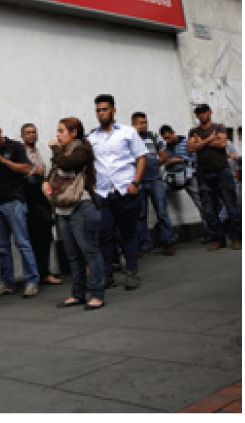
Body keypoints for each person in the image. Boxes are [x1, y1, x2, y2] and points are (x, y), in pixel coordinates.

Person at [43, 117, 106, 310]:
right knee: (72, 254)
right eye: (58, 131)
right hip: (63, 209)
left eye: (62, 131)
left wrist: (55, 149)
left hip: (82, 206)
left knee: (89, 250)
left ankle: (97, 294)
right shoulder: (62, 152)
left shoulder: (82, 150)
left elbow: (66, 165)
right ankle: (77, 294)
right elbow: (55, 172)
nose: (58, 135)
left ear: (74, 133)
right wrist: (46, 184)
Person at [87, 95, 147, 290]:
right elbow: (89, 165)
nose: (101, 113)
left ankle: (131, 272)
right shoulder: (92, 138)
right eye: (98, 110)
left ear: (113, 110)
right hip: (103, 194)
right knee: (104, 235)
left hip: (126, 190)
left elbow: (141, 158)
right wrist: (93, 185)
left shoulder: (128, 132)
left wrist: (135, 182)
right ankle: (107, 274)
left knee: (128, 234)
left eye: (104, 109)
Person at [0, 121, 41, 298]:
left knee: (22, 242)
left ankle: (32, 281)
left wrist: (1, 160)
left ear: (0, 132)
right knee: (2, 246)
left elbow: (25, 168)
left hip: (15, 200)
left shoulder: (15, 147)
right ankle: (7, 283)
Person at [188, 104, 241, 250]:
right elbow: (191, 148)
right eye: (199, 113)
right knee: (209, 209)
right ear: (197, 116)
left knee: (231, 206)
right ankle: (218, 239)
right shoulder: (193, 131)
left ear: (210, 113)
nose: (202, 115)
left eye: (204, 112)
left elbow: (222, 143)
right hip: (203, 174)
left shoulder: (219, 127)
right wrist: (210, 140)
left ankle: (237, 238)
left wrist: (201, 142)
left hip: (222, 171)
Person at [20, 123, 61, 285]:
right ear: (22, 136)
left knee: (45, 235)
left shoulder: (37, 152)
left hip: (42, 197)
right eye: (28, 133)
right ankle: (38, 274)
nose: (32, 135)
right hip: (30, 198)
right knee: (36, 237)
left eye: (34, 132)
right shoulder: (22, 153)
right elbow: (24, 175)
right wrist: (34, 174)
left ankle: (44, 272)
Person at [131, 112, 176, 256]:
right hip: (139, 182)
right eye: (140, 123)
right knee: (141, 215)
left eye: (145, 122)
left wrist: (153, 164)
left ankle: (168, 242)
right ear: (133, 124)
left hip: (155, 179)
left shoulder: (154, 136)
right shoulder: (130, 138)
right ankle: (145, 245)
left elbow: (163, 154)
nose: (144, 125)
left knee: (162, 212)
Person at [159, 125, 209, 236]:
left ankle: (209, 231)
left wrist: (179, 160)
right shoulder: (165, 147)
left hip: (189, 176)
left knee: (201, 203)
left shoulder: (186, 142)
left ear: (173, 132)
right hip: (172, 178)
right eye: (165, 138)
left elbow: (195, 158)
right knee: (159, 197)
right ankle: (165, 232)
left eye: (168, 137)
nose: (167, 140)